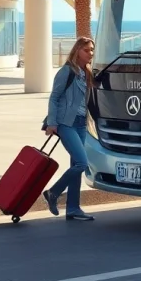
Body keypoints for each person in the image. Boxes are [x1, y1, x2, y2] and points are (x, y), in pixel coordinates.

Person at [42, 37, 97, 221]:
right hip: (65, 123)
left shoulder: (86, 72)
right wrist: (52, 123)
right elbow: (54, 97)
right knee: (82, 163)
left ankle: (73, 208)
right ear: (77, 51)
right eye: (87, 50)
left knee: (76, 166)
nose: (90, 53)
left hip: (81, 123)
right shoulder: (67, 71)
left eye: (92, 50)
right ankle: (53, 192)